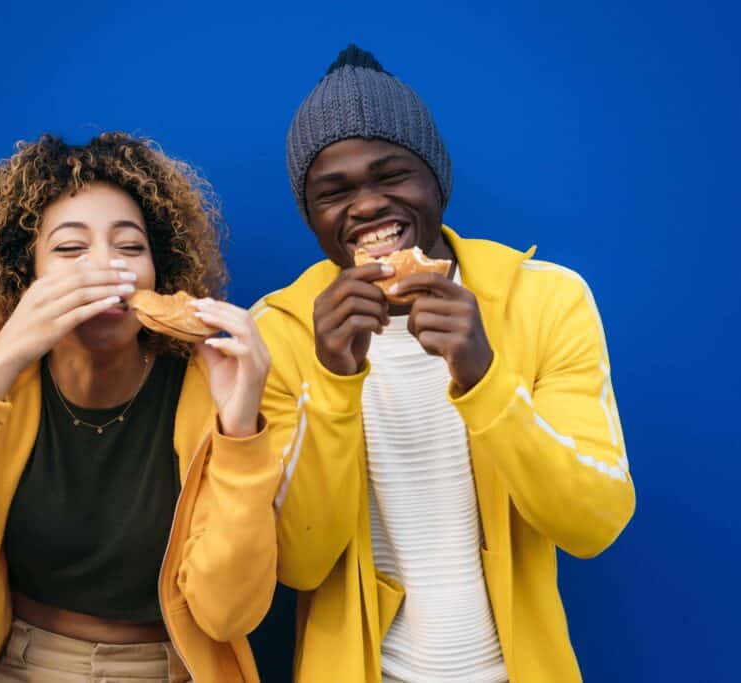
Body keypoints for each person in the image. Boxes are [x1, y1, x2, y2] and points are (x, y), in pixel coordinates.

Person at [252, 45, 636, 682]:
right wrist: (333, 379)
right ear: (313, 216)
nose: (367, 205)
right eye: (333, 191)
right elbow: (299, 562)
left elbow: (593, 522)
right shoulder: (279, 330)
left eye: (392, 175)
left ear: (436, 180)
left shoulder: (545, 298)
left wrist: (485, 379)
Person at [0, 132, 278, 682]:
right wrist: (2, 357)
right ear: (24, 277)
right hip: (24, 667)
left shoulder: (210, 391)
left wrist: (239, 429)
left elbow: (227, 616)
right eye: (70, 249)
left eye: (130, 247)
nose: (107, 266)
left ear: (160, 268)